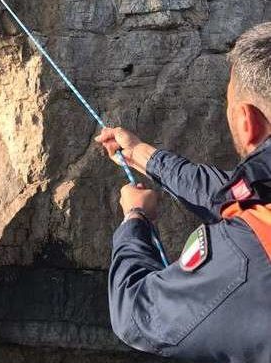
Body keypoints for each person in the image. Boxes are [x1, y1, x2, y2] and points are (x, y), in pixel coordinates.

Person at [95, 22, 271, 362]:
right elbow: (233, 194)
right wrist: (143, 155)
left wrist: (135, 219)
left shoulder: (247, 256)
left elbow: (137, 313)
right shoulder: (257, 195)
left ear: (248, 122)